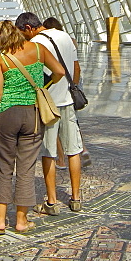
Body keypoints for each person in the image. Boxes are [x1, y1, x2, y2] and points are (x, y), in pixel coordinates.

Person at [0, 20, 64, 235]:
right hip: (33, 113)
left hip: (6, 114)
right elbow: (60, 72)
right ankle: (22, 221)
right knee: (27, 167)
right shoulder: (38, 49)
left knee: (3, 166)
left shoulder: (1, 59)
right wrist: (44, 86)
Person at [16, 11, 84, 214]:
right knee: (74, 150)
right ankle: (76, 198)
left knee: (49, 153)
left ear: (28, 28)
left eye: (23, 33)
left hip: (48, 105)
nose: (23, 38)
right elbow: (76, 68)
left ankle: (52, 202)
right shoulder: (65, 36)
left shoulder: (36, 43)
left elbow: (35, 76)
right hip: (68, 101)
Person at [42, 17, 91, 169]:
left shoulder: (42, 43)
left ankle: (60, 158)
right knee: (72, 123)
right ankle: (81, 148)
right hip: (69, 91)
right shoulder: (69, 40)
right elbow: (77, 68)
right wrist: (74, 86)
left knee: (53, 125)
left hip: (52, 91)